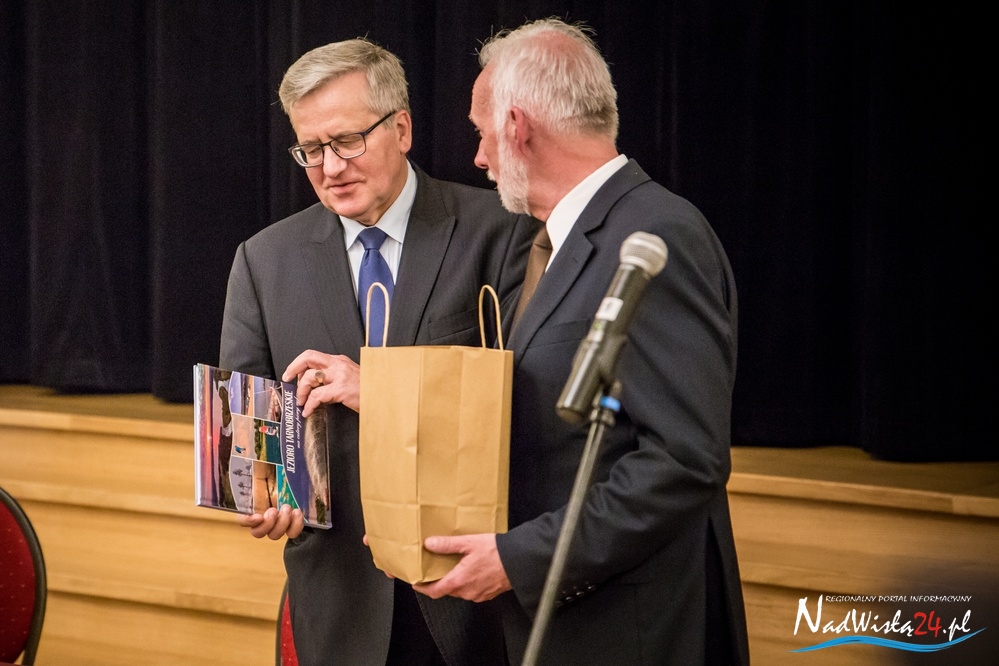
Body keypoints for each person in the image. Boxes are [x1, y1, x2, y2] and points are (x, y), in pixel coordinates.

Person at [414, 19, 751, 664]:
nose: (479, 158)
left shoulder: (656, 235)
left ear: (517, 127)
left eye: (482, 133)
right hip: (565, 622)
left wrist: (520, 558)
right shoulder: (548, 240)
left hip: (627, 631)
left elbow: (684, 461)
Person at [219, 38, 538, 665]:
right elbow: (251, 435)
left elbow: (527, 403)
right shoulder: (263, 260)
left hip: (466, 593)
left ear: (402, 129)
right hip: (339, 602)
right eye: (311, 149)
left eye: (347, 141)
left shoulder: (500, 232)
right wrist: (263, 494)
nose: (330, 167)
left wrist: (382, 393)